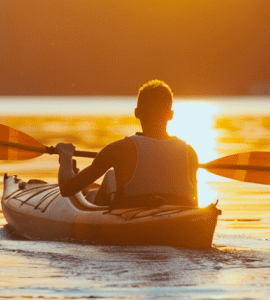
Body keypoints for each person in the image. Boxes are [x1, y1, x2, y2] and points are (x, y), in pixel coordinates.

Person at [56, 80, 198, 208]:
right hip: (178, 216)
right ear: (170, 115)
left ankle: (90, 195)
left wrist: (66, 157)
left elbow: (67, 189)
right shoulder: (189, 152)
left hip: (130, 215)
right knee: (111, 176)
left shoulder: (119, 149)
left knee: (110, 177)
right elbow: (194, 204)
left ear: (137, 113)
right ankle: (91, 194)